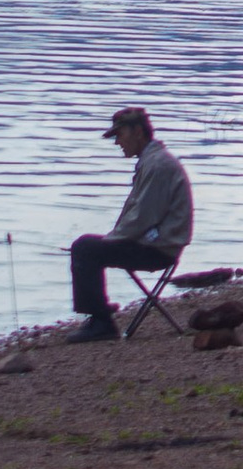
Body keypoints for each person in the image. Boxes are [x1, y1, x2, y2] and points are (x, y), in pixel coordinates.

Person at [65, 107, 194, 342]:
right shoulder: (153, 161)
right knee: (88, 247)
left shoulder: (157, 165)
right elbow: (140, 219)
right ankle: (99, 314)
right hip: (157, 244)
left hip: (158, 250)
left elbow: (142, 218)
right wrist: (111, 239)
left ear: (137, 131)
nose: (117, 143)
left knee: (85, 248)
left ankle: (101, 322)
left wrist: (108, 240)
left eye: (119, 135)